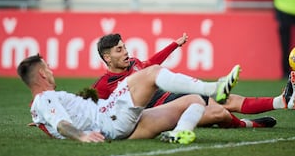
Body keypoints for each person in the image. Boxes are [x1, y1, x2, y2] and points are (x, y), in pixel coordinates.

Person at [17, 53, 240, 144]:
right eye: (49, 68)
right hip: (111, 118)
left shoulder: (45, 103)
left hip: (123, 128)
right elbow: (62, 125)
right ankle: (215, 88)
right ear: (42, 74)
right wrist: (83, 137)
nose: (52, 70)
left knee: (193, 100)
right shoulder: (44, 98)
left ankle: (181, 131)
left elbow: (57, 120)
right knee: (152, 72)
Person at [92, 33, 295, 129]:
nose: (126, 52)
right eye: (119, 50)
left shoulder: (136, 64)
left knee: (227, 100)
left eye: (125, 46)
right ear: (107, 58)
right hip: (162, 109)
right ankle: (249, 123)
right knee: (219, 111)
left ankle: (281, 101)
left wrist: (174, 45)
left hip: (172, 96)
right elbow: (86, 104)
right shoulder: (103, 84)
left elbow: (153, 62)